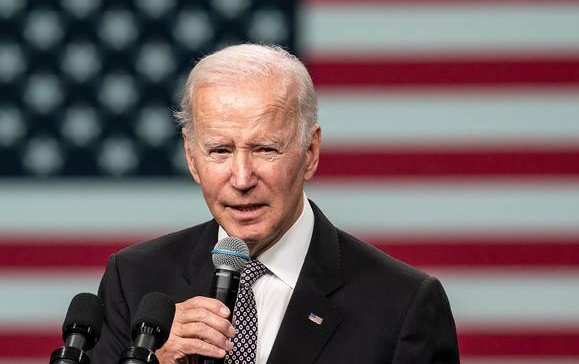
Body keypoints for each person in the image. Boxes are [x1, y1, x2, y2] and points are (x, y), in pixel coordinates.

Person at [90, 44, 459, 364]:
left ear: (310, 152)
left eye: (265, 149)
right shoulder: (134, 280)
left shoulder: (402, 305)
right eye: (220, 150)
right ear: (191, 157)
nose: (242, 178)